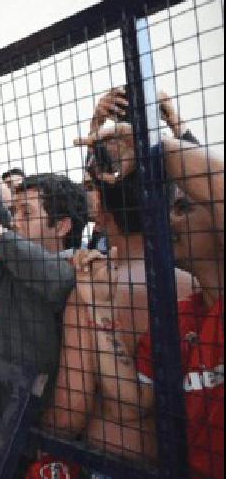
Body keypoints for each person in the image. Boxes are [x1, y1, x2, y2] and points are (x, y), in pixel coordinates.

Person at [64, 90, 223, 477]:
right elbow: (134, 401)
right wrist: (100, 312)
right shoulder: (180, 315)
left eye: (183, 208)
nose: (167, 220)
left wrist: (153, 144)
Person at [0, 173, 88, 412]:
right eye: (14, 212)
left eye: (26, 213)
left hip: (45, 422)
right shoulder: (9, 261)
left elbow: (59, 281)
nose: (15, 221)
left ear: (61, 226)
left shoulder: (78, 271)